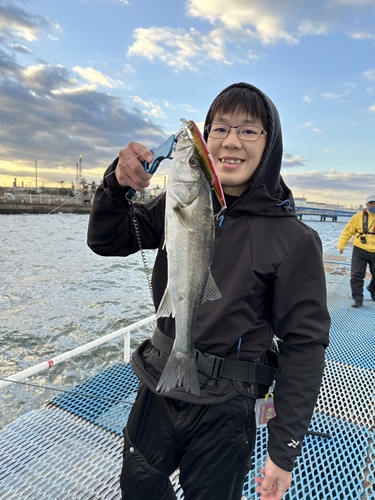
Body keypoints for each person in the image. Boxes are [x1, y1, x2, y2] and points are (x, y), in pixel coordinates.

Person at [87, 82, 330, 500]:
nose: (231, 141)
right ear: (204, 140)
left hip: (227, 404)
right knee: (138, 488)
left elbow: (304, 345)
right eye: (219, 129)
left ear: (270, 144)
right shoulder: (176, 202)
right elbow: (108, 241)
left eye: (249, 130)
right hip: (159, 380)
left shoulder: (295, 239)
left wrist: (283, 450)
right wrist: (115, 186)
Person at [337, 195, 375, 308]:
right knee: (357, 275)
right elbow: (347, 232)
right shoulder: (357, 217)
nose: (373, 206)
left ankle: (372, 288)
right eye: (371, 203)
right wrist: (341, 245)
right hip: (360, 250)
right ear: (367, 205)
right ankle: (358, 298)